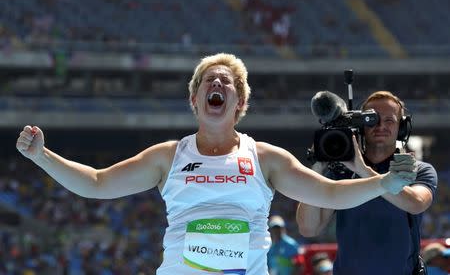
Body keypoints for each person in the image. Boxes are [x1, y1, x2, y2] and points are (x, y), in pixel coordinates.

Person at [16, 54, 417, 275]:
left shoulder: (265, 158)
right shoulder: (167, 156)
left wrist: (383, 184)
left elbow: (329, 193)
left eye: (226, 82)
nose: (217, 85)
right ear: (195, 101)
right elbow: (97, 183)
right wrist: (41, 156)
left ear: (239, 105)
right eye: (209, 81)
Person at [296, 90, 438, 275]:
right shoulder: (340, 172)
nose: (380, 125)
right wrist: (318, 167)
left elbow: (416, 204)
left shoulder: (418, 169)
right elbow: (309, 228)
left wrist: (362, 170)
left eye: (389, 120)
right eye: (372, 119)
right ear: (361, 125)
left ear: (402, 128)